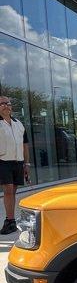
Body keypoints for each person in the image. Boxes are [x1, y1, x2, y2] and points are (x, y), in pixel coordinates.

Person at [0, 96, 30, 234]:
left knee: (13, 191)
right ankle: (9, 221)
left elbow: (25, 145)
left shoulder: (19, 124)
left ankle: (10, 220)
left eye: (8, 103)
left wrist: (26, 163)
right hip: (3, 162)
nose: (5, 106)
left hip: (18, 162)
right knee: (8, 190)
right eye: (2, 104)